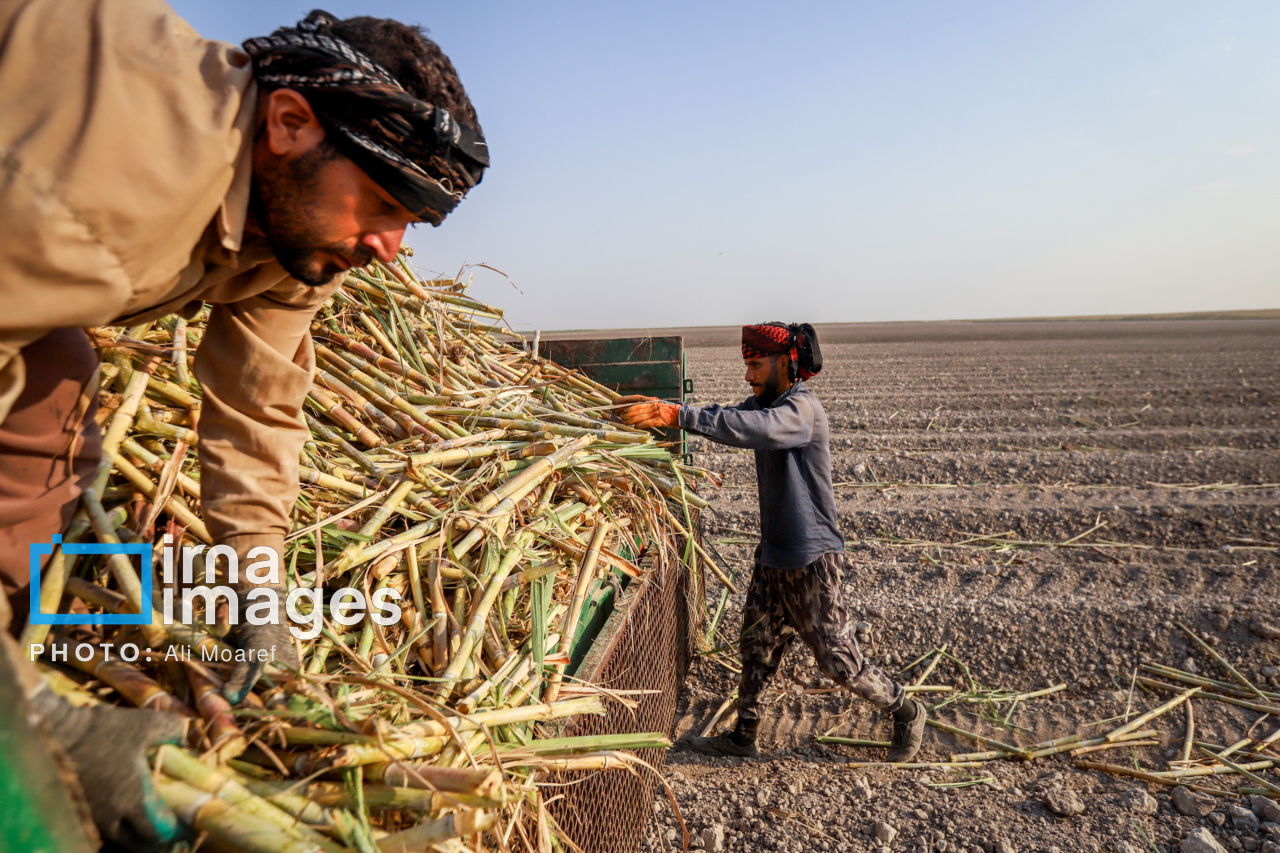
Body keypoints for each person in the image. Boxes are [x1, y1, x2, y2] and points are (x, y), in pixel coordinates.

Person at [0, 1, 485, 843]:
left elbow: (257, 407)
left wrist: (258, 597)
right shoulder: (115, 172)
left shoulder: (298, 225)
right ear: (290, 123)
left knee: (55, 374)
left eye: (409, 220)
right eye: (378, 200)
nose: (390, 247)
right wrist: (36, 720)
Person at [621, 323, 927, 762]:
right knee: (757, 647)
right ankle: (744, 736)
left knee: (837, 660)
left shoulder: (800, 410)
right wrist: (676, 411)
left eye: (755, 365)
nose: (749, 376)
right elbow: (734, 417)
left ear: (784, 363)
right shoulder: (768, 404)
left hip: (812, 559)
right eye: (747, 365)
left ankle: (906, 709)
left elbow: (757, 429)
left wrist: (678, 416)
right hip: (774, 556)